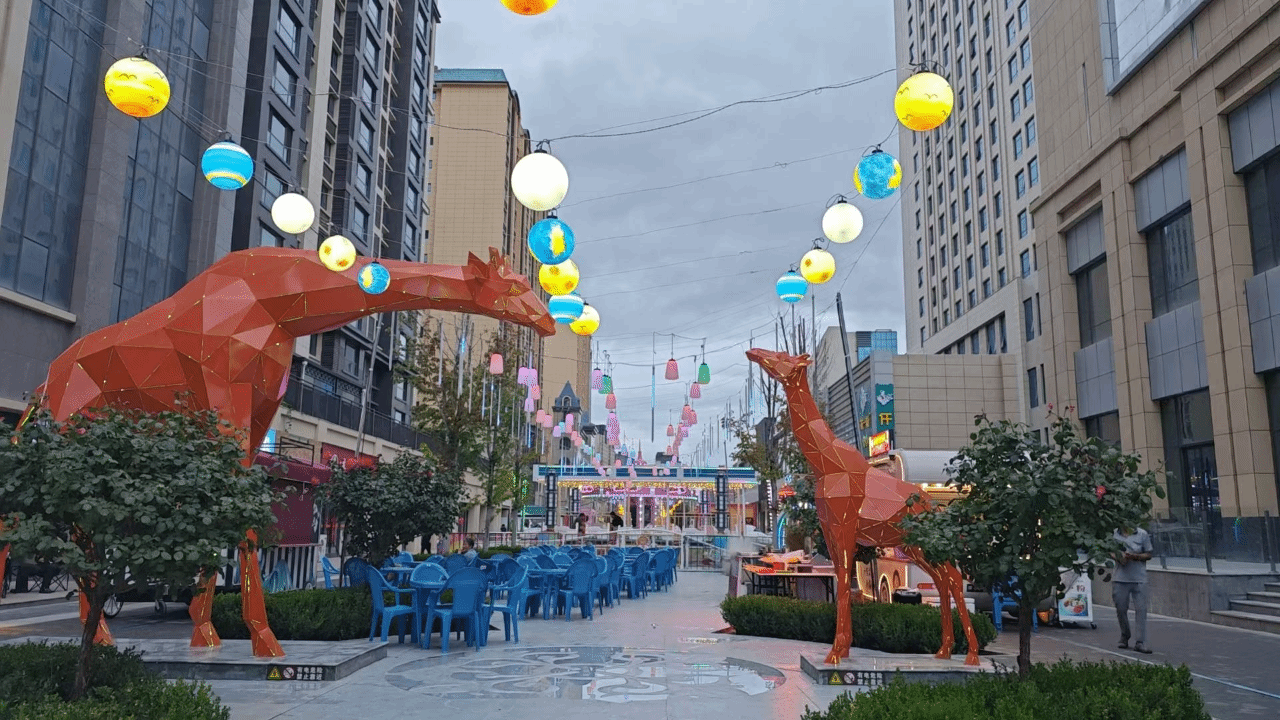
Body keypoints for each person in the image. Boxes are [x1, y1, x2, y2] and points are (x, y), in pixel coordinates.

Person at [1112, 525, 1154, 653]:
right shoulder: (1114, 534)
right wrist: (1117, 557)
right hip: (1120, 578)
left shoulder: (1142, 534)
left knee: (1141, 610)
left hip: (1139, 578)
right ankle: (1125, 635)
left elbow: (1149, 554)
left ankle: (1140, 642)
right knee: (1120, 608)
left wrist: (1135, 557)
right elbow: (1106, 550)